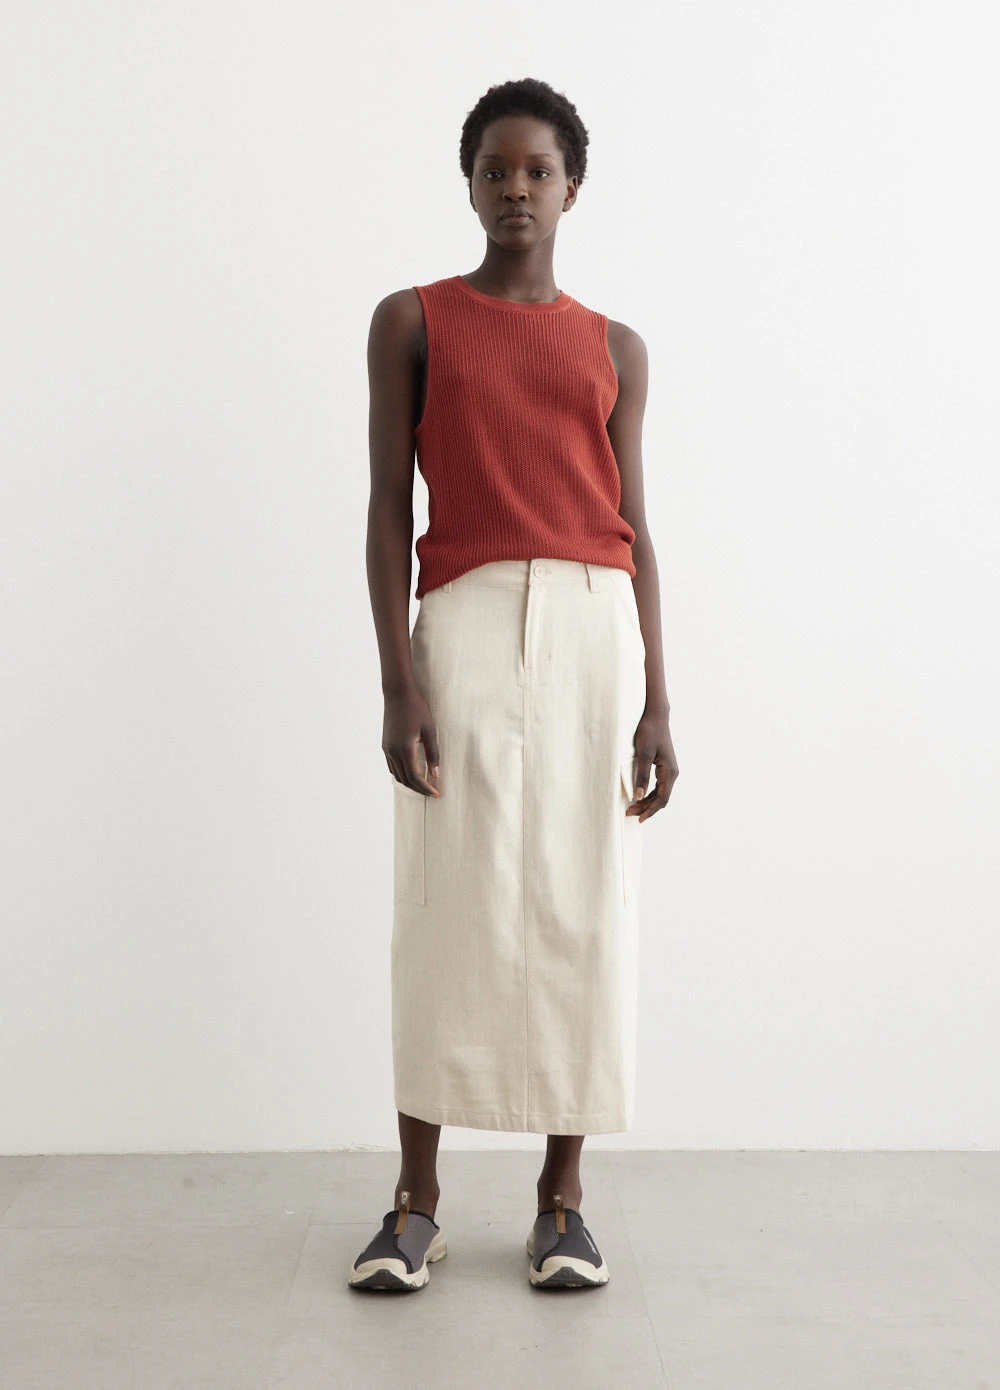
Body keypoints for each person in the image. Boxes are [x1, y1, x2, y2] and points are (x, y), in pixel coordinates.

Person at [350, 77, 678, 1293]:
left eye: (539, 170)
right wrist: (398, 680)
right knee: (446, 900)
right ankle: (415, 1203)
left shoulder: (615, 346)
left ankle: (561, 1204)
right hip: (468, 617)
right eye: (496, 169)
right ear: (469, 183)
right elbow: (387, 508)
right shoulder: (413, 320)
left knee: (583, 900)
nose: (516, 189)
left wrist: (659, 700)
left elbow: (635, 525)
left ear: (572, 188)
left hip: (595, 627)